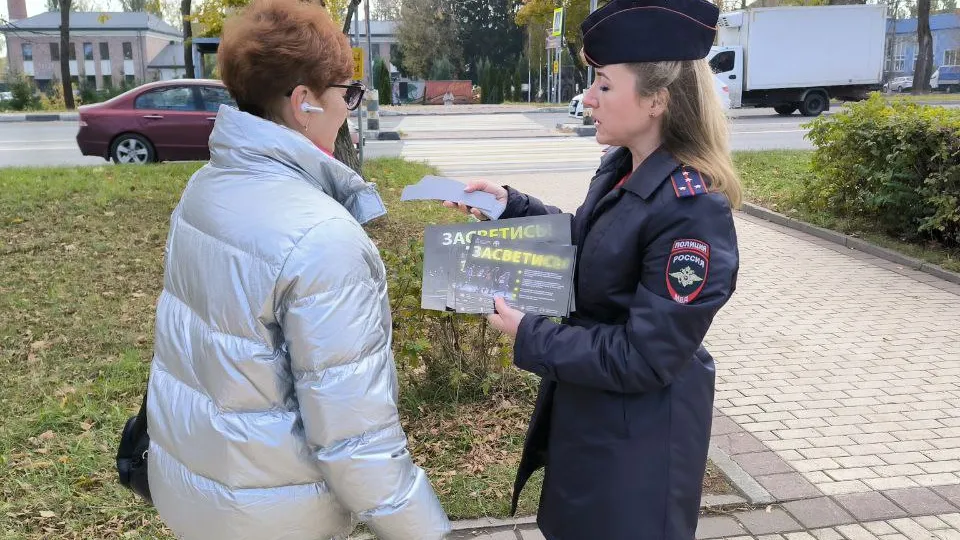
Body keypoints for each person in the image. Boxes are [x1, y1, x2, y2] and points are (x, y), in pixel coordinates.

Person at [145, 0, 450, 539]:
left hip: (198, 493)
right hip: (278, 518)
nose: (349, 109)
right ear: (303, 101)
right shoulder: (324, 240)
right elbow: (357, 443)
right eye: (347, 93)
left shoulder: (204, 191)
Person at [444, 0, 740, 538]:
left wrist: (529, 334)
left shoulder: (691, 210)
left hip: (639, 451)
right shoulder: (622, 169)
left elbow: (646, 359)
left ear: (657, 100)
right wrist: (512, 205)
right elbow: (591, 244)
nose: (588, 98)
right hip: (593, 424)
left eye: (604, 85)